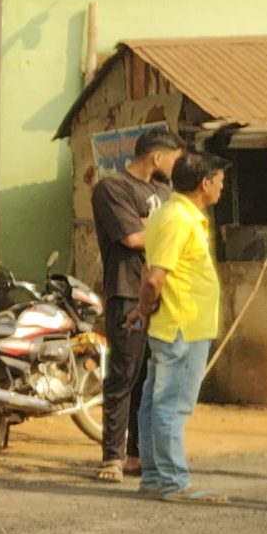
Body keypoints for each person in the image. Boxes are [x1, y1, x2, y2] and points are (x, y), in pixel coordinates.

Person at [130, 151, 226, 505]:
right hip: (183, 325)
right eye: (219, 181)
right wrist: (144, 306)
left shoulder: (170, 214)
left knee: (154, 402)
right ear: (204, 183)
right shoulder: (179, 219)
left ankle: (155, 478)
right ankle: (173, 482)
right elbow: (155, 277)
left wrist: (144, 309)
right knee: (171, 404)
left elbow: (150, 269)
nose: (221, 187)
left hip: (174, 323)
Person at [89, 127, 183, 484]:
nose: (177, 167)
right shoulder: (112, 188)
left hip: (161, 294)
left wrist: (150, 226)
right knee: (124, 375)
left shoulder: (165, 191)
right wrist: (161, 230)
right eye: (174, 159)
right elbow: (131, 237)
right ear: (156, 157)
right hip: (127, 291)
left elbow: (181, 232)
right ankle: (111, 457)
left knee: (150, 378)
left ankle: (137, 455)